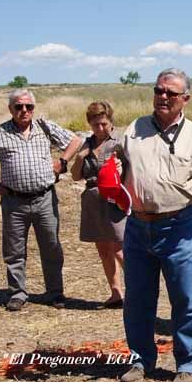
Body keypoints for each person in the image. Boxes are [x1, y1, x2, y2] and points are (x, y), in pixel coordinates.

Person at [116, 68, 192, 382]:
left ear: (185, 100)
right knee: (137, 299)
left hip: (179, 227)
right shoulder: (133, 130)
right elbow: (119, 171)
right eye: (158, 90)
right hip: (136, 227)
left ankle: (188, 363)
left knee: (185, 300)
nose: (162, 97)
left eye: (170, 93)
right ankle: (140, 360)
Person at [0, 89, 81, 311]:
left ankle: (55, 293)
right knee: (14, 250)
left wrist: (63, 162)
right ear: (10, 109)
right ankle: (17, 293)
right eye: (18, 107)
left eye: (29, 106)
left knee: (51, 247)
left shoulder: (44, 126)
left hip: (45, 198)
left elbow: (75, 140)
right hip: (14, 201)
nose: (24, 111)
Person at [70, 101, 125, 308]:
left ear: (111, 122)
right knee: (103, 248)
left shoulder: (119, 142)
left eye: (104, 123)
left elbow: (131, 171)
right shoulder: (87, 144)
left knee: (120, 248)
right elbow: (76, 177)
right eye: (96, 125)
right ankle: (116, 293)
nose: (100, 128)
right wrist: (80, 157)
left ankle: (140, 292)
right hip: (92, 198)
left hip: (114, 197)